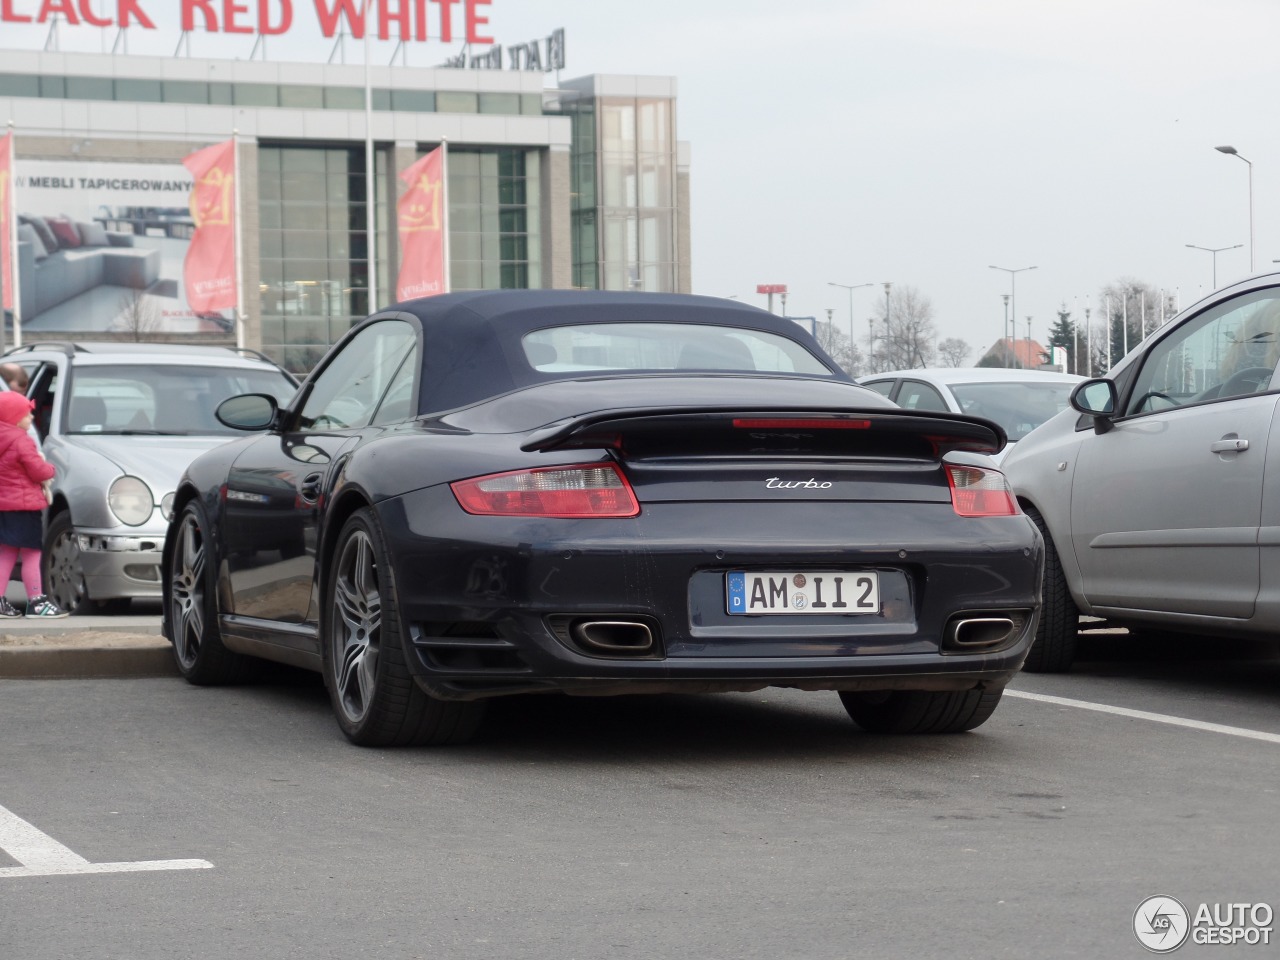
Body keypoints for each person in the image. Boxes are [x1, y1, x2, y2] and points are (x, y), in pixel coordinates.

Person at [0, 390, 67, 618]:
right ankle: (36, 603)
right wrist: (50, 469)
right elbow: (38, 471)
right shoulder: (21, 441)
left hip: (5, 506)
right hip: (24, 506)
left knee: (6, 553)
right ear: (13, 417)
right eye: (27, 414)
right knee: (31, 554)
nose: (31, 418)